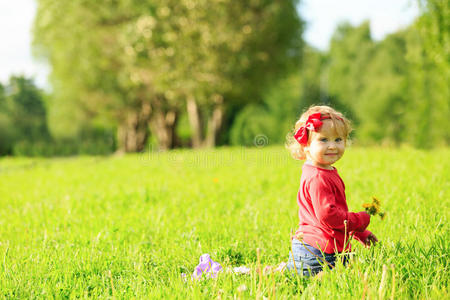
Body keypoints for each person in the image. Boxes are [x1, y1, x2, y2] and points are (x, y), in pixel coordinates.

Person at [285, 105, 378, 276]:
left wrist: (359, 233)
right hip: (318, 255)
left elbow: (336, 214)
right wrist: (359, 221)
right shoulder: (318, 177)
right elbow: (329, 216)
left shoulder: (322, 171)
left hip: (317, 248)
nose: (332, 146)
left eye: (338, 140)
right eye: (323, 140)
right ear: (305, 145)